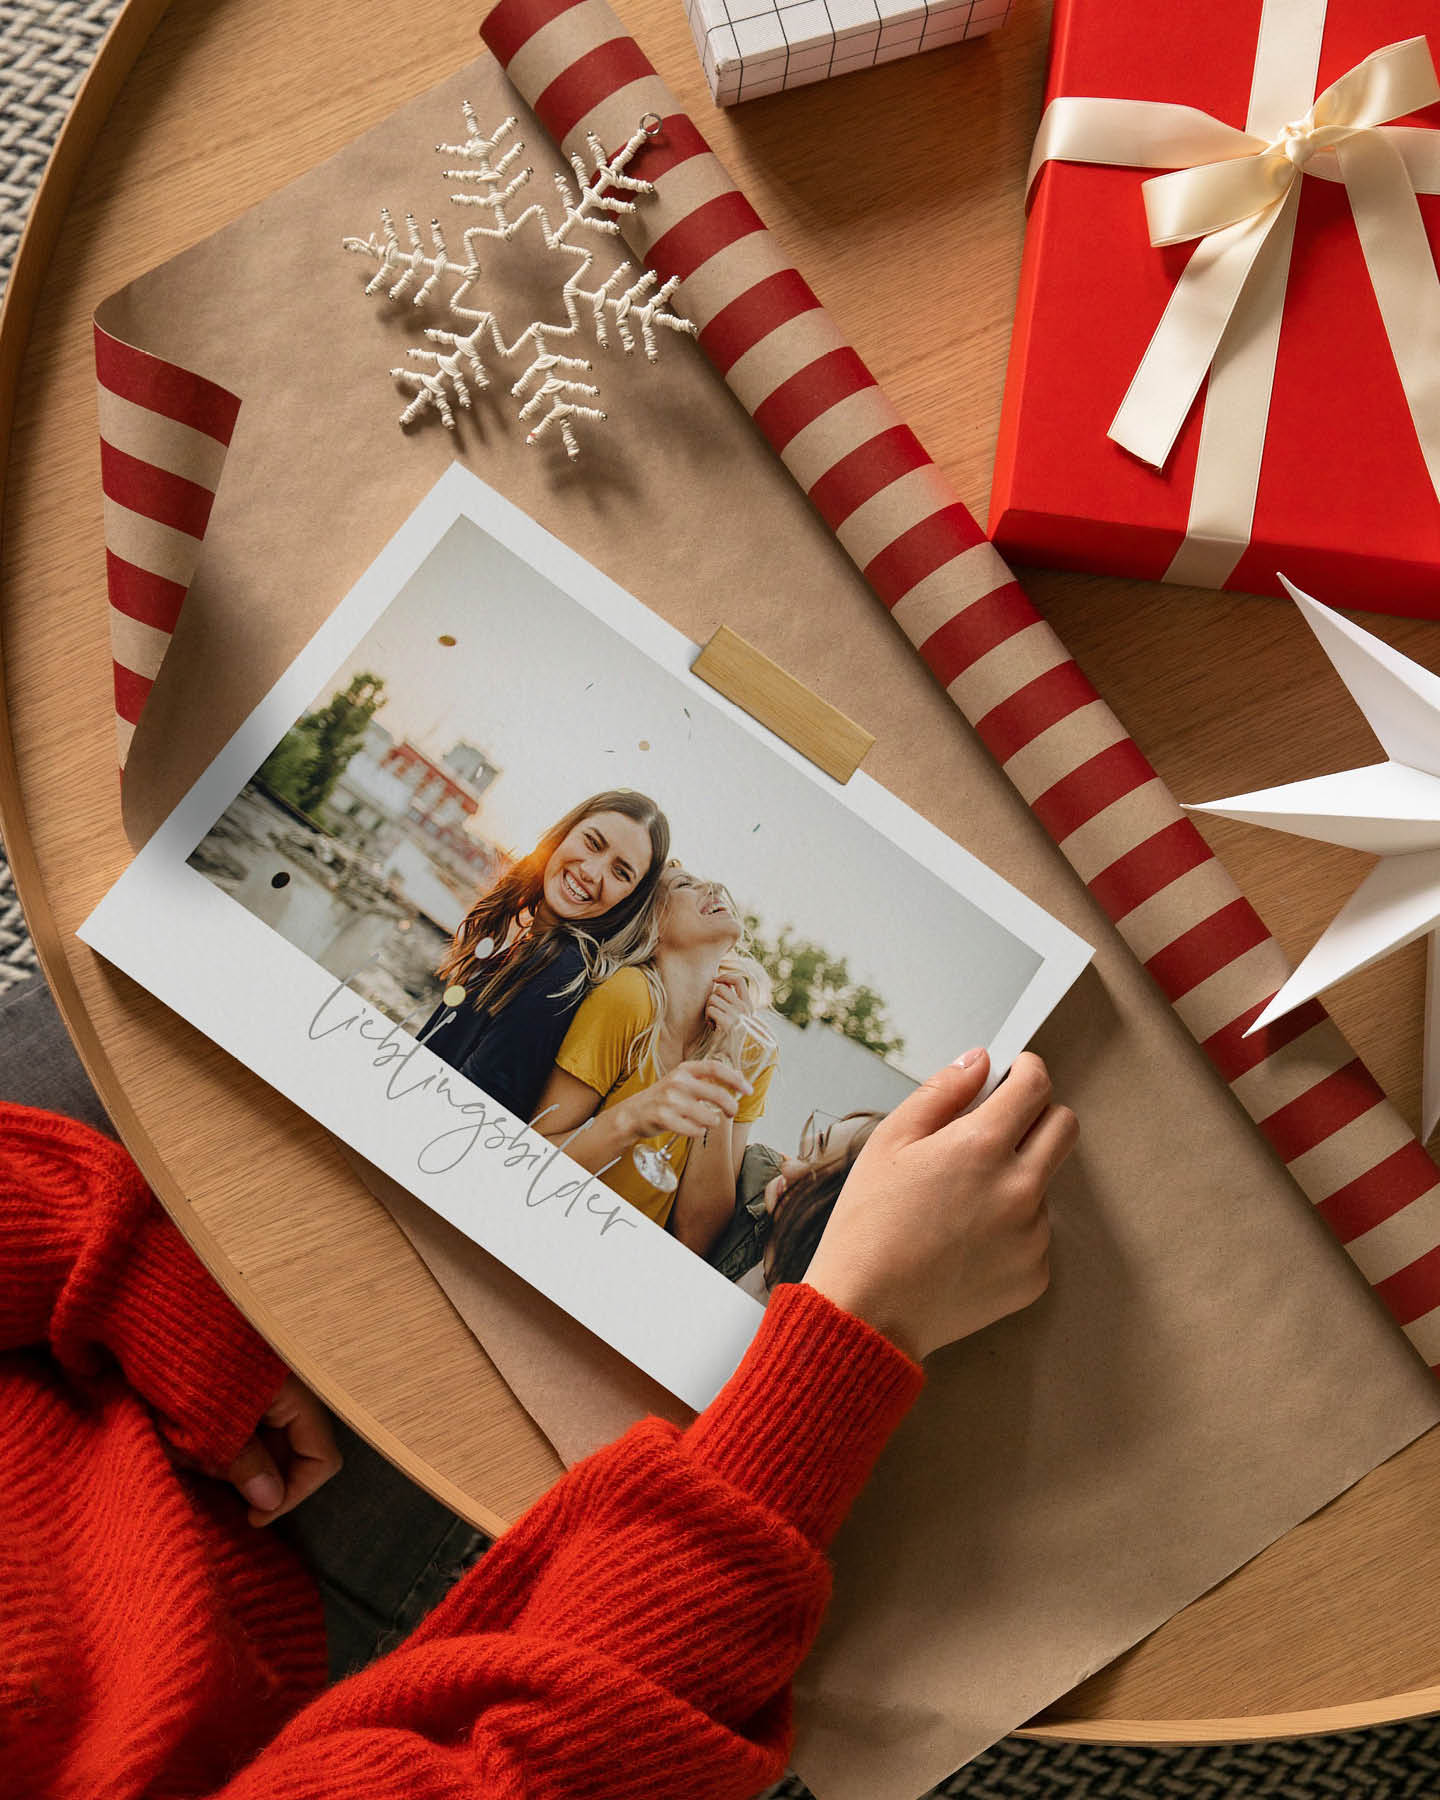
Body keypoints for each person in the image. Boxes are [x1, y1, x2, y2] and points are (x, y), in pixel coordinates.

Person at [4, 1044, 1076, 1797]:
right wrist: (855, 1338)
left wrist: (115, 1262)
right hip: (271, 1634)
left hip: (84, 1275)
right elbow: (537, 1771)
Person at [531, 865, 778, 1250]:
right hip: (556, 1233)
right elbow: (535, 1156)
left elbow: (697, 1237)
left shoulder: (752, 1049)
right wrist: (633, 1117)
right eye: (684, 885)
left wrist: (725, 1065)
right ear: (652, 926)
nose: (715, 885)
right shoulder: (628, 999)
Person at [417, 790, 669, 1122]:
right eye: (593, 843)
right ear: (564, 835)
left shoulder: (561, 973)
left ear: (630, 900)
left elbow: (463, 1110)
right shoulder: (532, 946)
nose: (592, 872)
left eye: (621, 872)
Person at [709, 1107, 882, 1293]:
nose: (788, 1169)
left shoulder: (825, 1304)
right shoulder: (750, 1174)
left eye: (820, 1184)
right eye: (820, 1143)